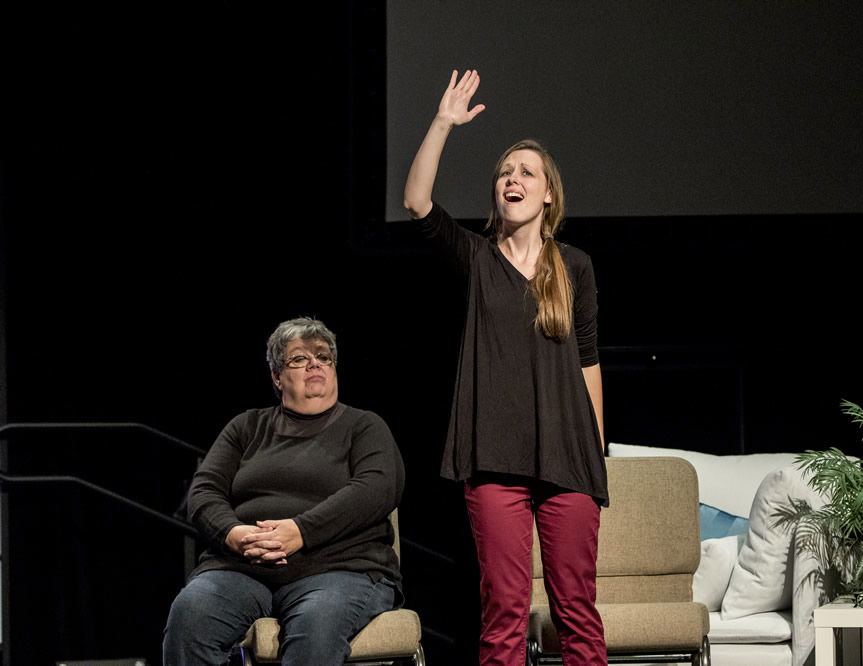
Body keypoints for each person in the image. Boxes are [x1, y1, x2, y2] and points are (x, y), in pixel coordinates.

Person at [403, 70, 608, 666]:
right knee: (503, 614)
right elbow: (417, 202)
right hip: (494, 459)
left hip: (569, 461)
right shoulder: (477, 259)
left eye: (526, 172)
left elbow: (589, 362)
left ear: (549, 195)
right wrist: (443, 122)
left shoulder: (576, 267)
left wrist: (596, 455)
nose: (511, 179)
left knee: (578, 613)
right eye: (503, 173)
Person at [163, 316, 404, 666]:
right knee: (190, 617)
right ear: (277, 376)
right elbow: (204, 491)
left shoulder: (363, 426)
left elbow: (376, 488)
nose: (314, 364)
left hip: (340, 568)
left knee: (316, 629)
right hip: (243, 567)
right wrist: (235, 535)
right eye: (299, 359)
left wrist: (300, 531)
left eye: (323, 357)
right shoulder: (246, 427)